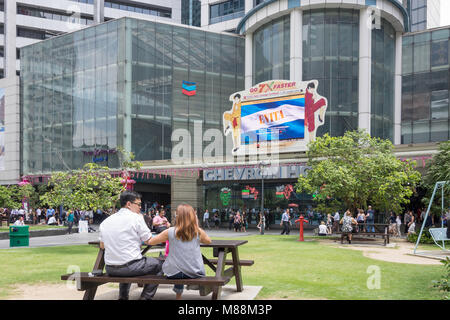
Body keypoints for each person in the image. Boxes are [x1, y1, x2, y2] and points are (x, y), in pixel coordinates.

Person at [99, 190, 162, 300]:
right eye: (138, 204)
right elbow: (149, 240)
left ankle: (123, 297)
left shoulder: (106, 221)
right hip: (130, 267)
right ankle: (145, 297)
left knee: (127, 261)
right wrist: (166, 235)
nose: (140, 207)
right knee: (159, 264)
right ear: (129, 204)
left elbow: (102, 246)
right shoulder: (136, 218)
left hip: (110, 268)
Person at [148, 204, 211, 300]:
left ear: (177, 217)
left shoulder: (169, 232)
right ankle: (191, 286)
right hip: (195, 272)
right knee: (182, 265)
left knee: (175, 265)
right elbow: (208, 241)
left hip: (173, 273)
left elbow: (151, 241)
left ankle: (178, 296)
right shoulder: (197, 231)